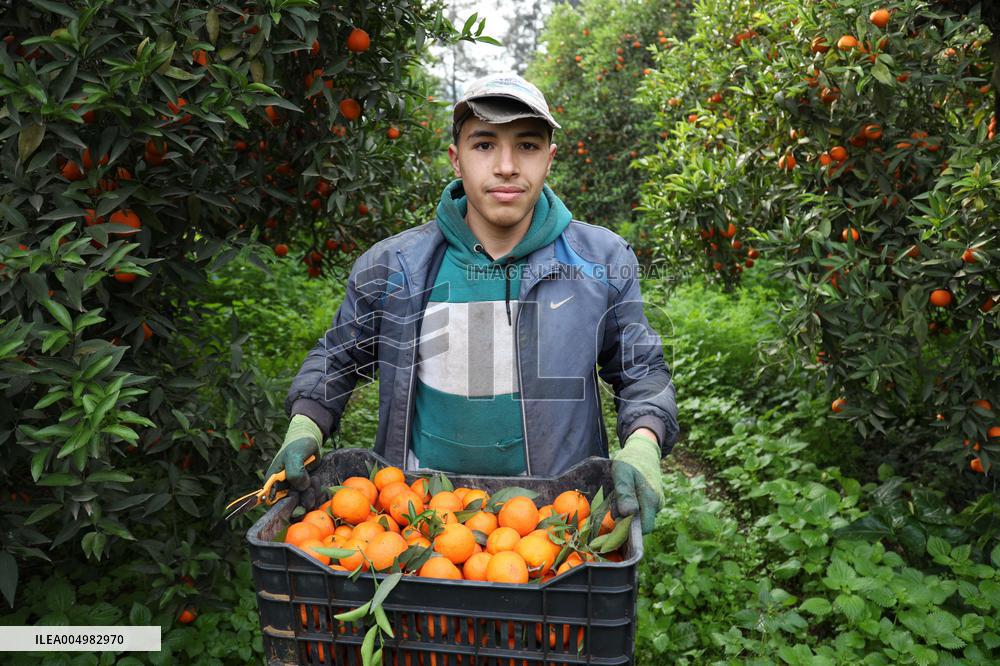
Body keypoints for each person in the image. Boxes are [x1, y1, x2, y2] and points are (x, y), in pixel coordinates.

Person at [266, 74, 679, 533]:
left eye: (526, 145)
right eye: (484, 145)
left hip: (557, 526)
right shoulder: (393, 267)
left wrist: (643, 442)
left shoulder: (600, 262)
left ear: (549, 159)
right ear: (456, 159)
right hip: (422, 523)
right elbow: (338, 359)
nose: (506, 166)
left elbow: (642, 371)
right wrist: (305, 425)